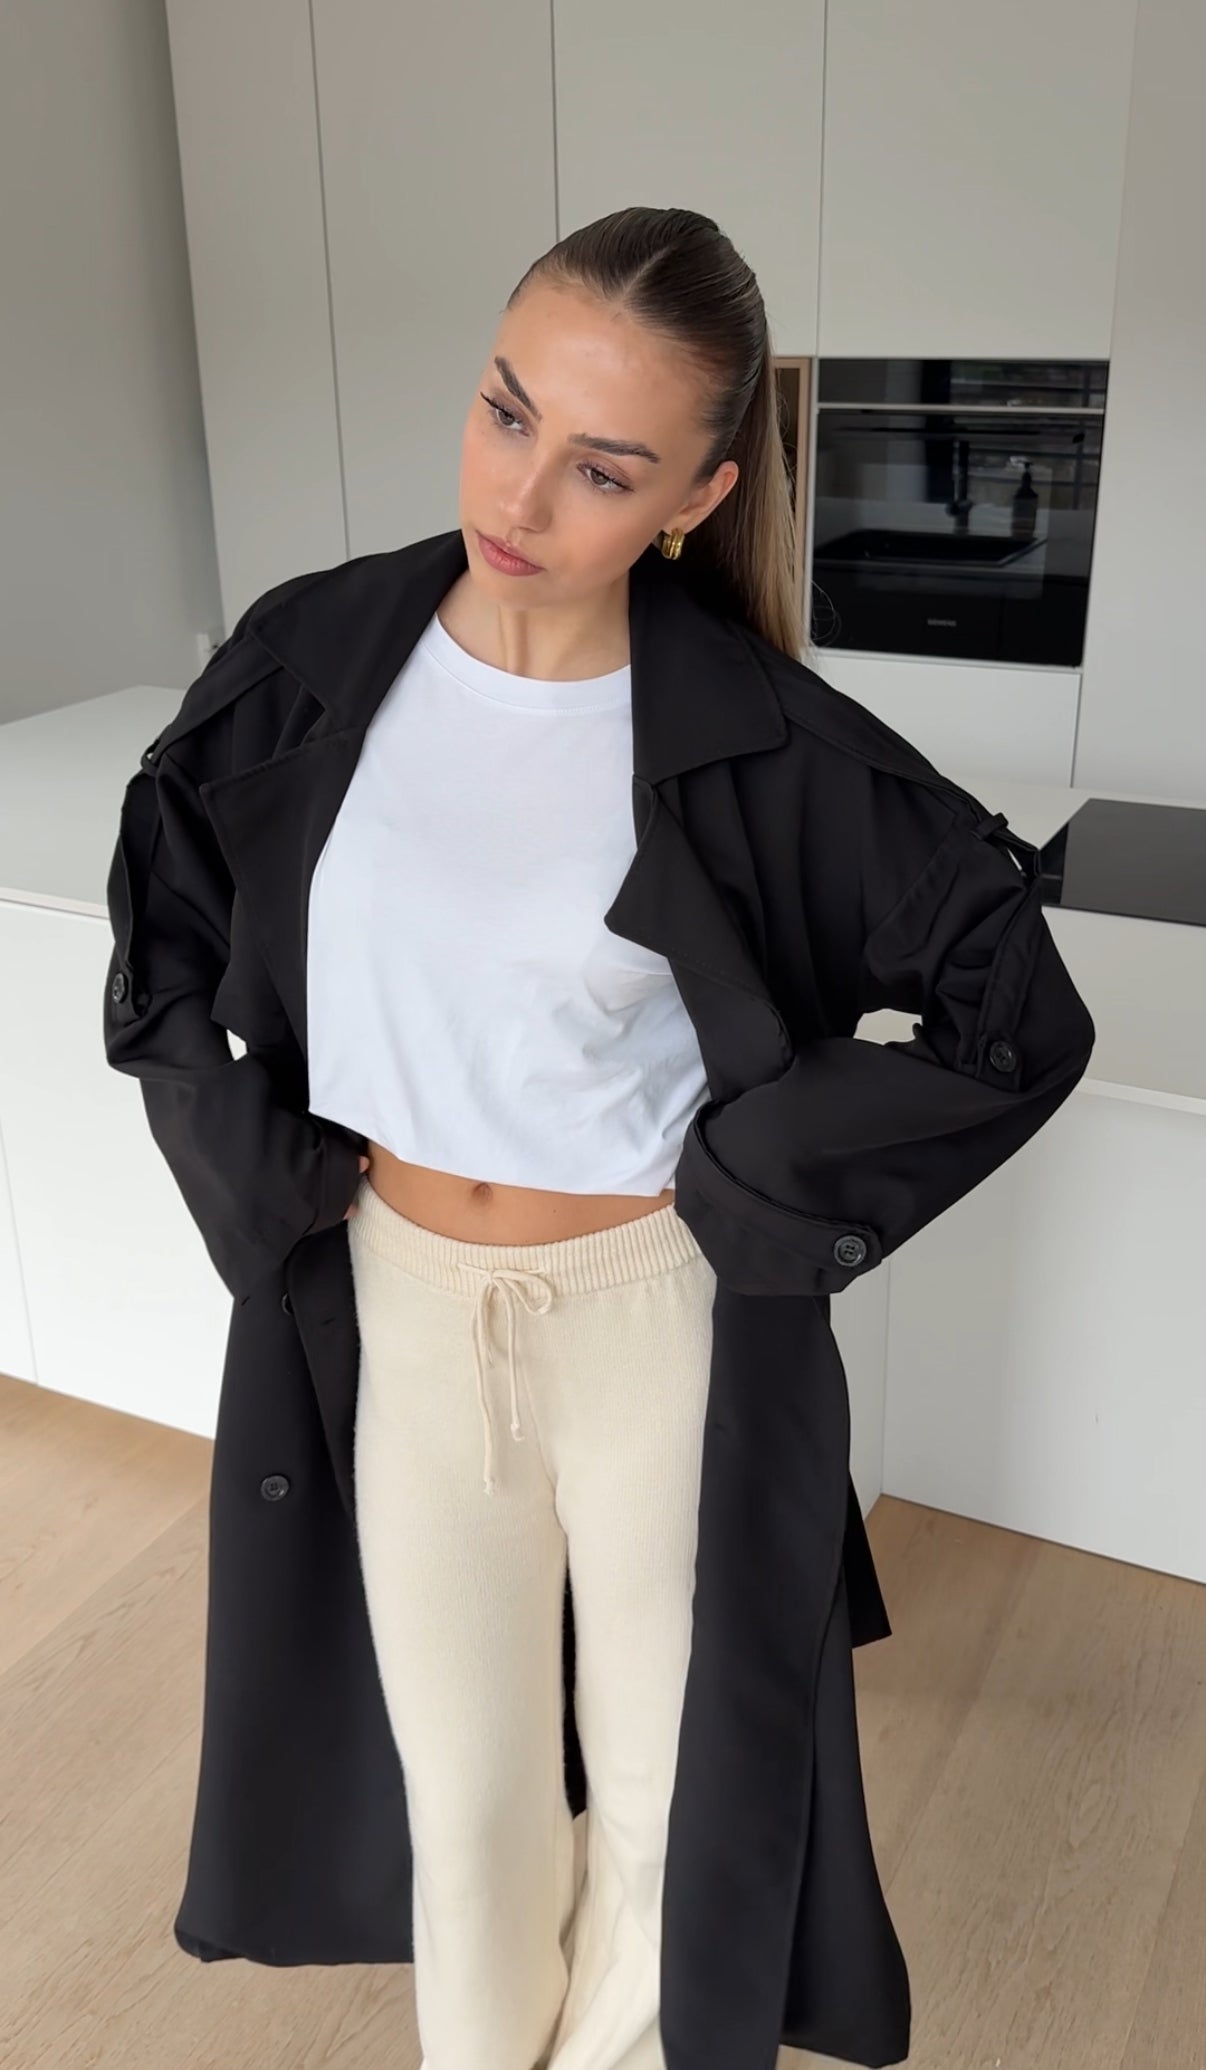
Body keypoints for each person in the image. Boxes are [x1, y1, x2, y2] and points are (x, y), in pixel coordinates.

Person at [102, 206, 1096, 2070]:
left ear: (699, 497)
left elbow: (1012, 1013)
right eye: (506, 412)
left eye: (602, 466)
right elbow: (165, 911)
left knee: (667, 1799)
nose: (520, 492)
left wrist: (757, 1182)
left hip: (656, 1321)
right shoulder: (315, 654)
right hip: (402, 1305)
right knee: (465, 1800)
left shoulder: (763, 739)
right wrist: (255, 1159)